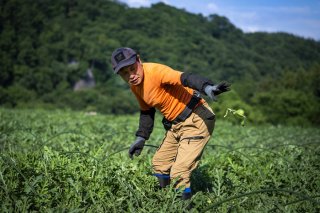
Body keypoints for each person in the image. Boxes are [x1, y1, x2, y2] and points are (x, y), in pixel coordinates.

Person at [111, 47, 230, 200]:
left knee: (179, 171)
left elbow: (184, 78)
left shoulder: (155, 71)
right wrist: (141, 138)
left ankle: (184, 207)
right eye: (125, 73)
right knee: (159, 164)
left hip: (196, 117)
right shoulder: (135, 86)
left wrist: (207, 87)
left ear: (139, 60)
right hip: (176, 124)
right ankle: (167, 201)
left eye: (133, 69)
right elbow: (147, 111)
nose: (131, 76)